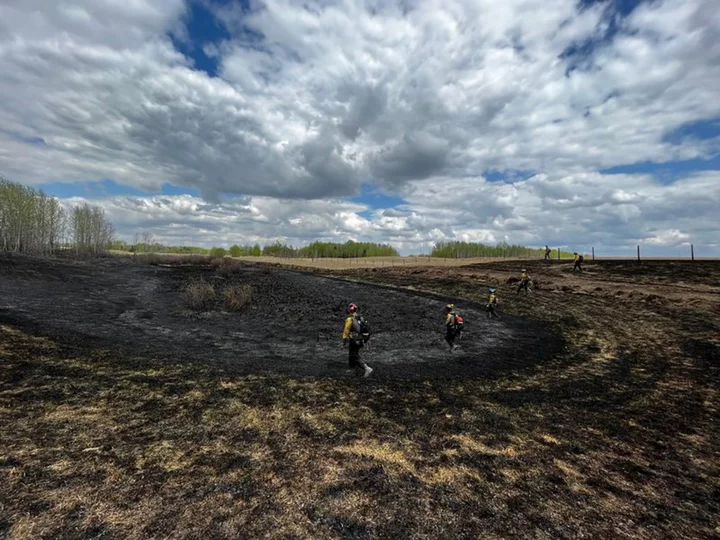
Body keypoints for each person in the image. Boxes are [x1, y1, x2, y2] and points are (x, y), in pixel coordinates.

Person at [342, 303, 373, 377]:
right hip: (360, 339)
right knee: (352, 354)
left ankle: (367, 368)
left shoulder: (350, 319)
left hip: (354, 340)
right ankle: (352, 369)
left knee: (354, 355)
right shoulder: (361, 318)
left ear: (349, 310)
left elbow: (346, 330)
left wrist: (344, 339)